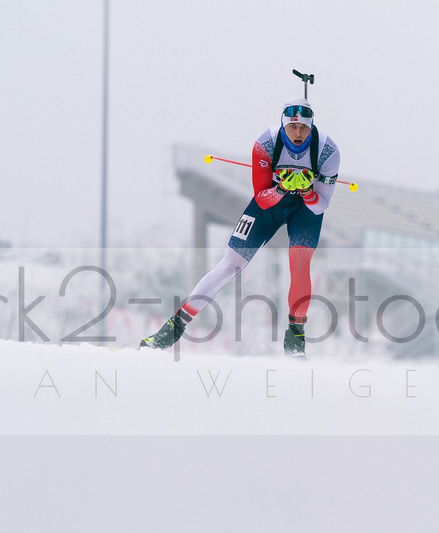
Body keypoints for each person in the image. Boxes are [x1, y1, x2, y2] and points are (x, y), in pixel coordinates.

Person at [140, 96, 341, 357]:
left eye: (304, 127)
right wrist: (282, 187)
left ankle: (295, 341)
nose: (299, 133)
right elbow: (261, 197)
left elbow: (321, 204)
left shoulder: (328, 151)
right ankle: (170, 331)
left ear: (312, 127)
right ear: (283, 126)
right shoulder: (265, 144)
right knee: (229, 265)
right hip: (270, 204)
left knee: (300, 263)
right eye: (293, 127)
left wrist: (305, 191)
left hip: (306, 209)